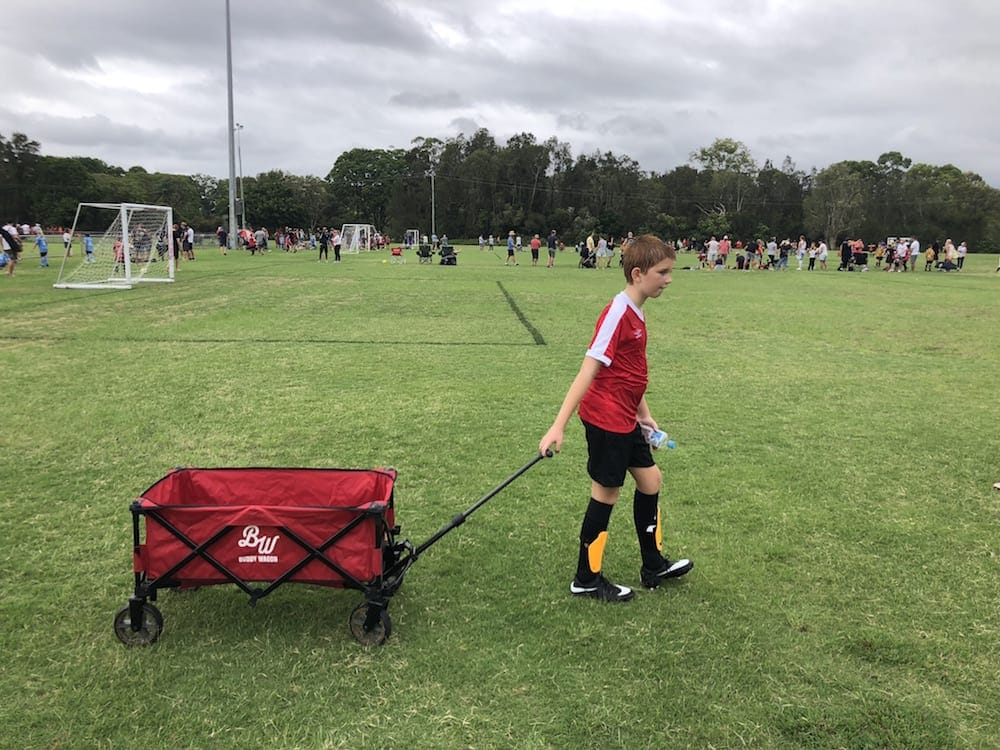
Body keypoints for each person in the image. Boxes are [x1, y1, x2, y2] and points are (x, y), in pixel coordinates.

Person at [538, 235, 693, 602]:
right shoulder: (618, 313)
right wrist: (558, 426)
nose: (669, 279)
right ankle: (586, 579)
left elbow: (629, 372)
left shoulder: (637, 312)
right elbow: (588, 371)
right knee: (606, 493)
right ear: (638, 274)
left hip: (626, 416)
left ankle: (653, 564)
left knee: (651, 479)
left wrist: (645, 414)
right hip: (606, 418)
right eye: (663, 272)